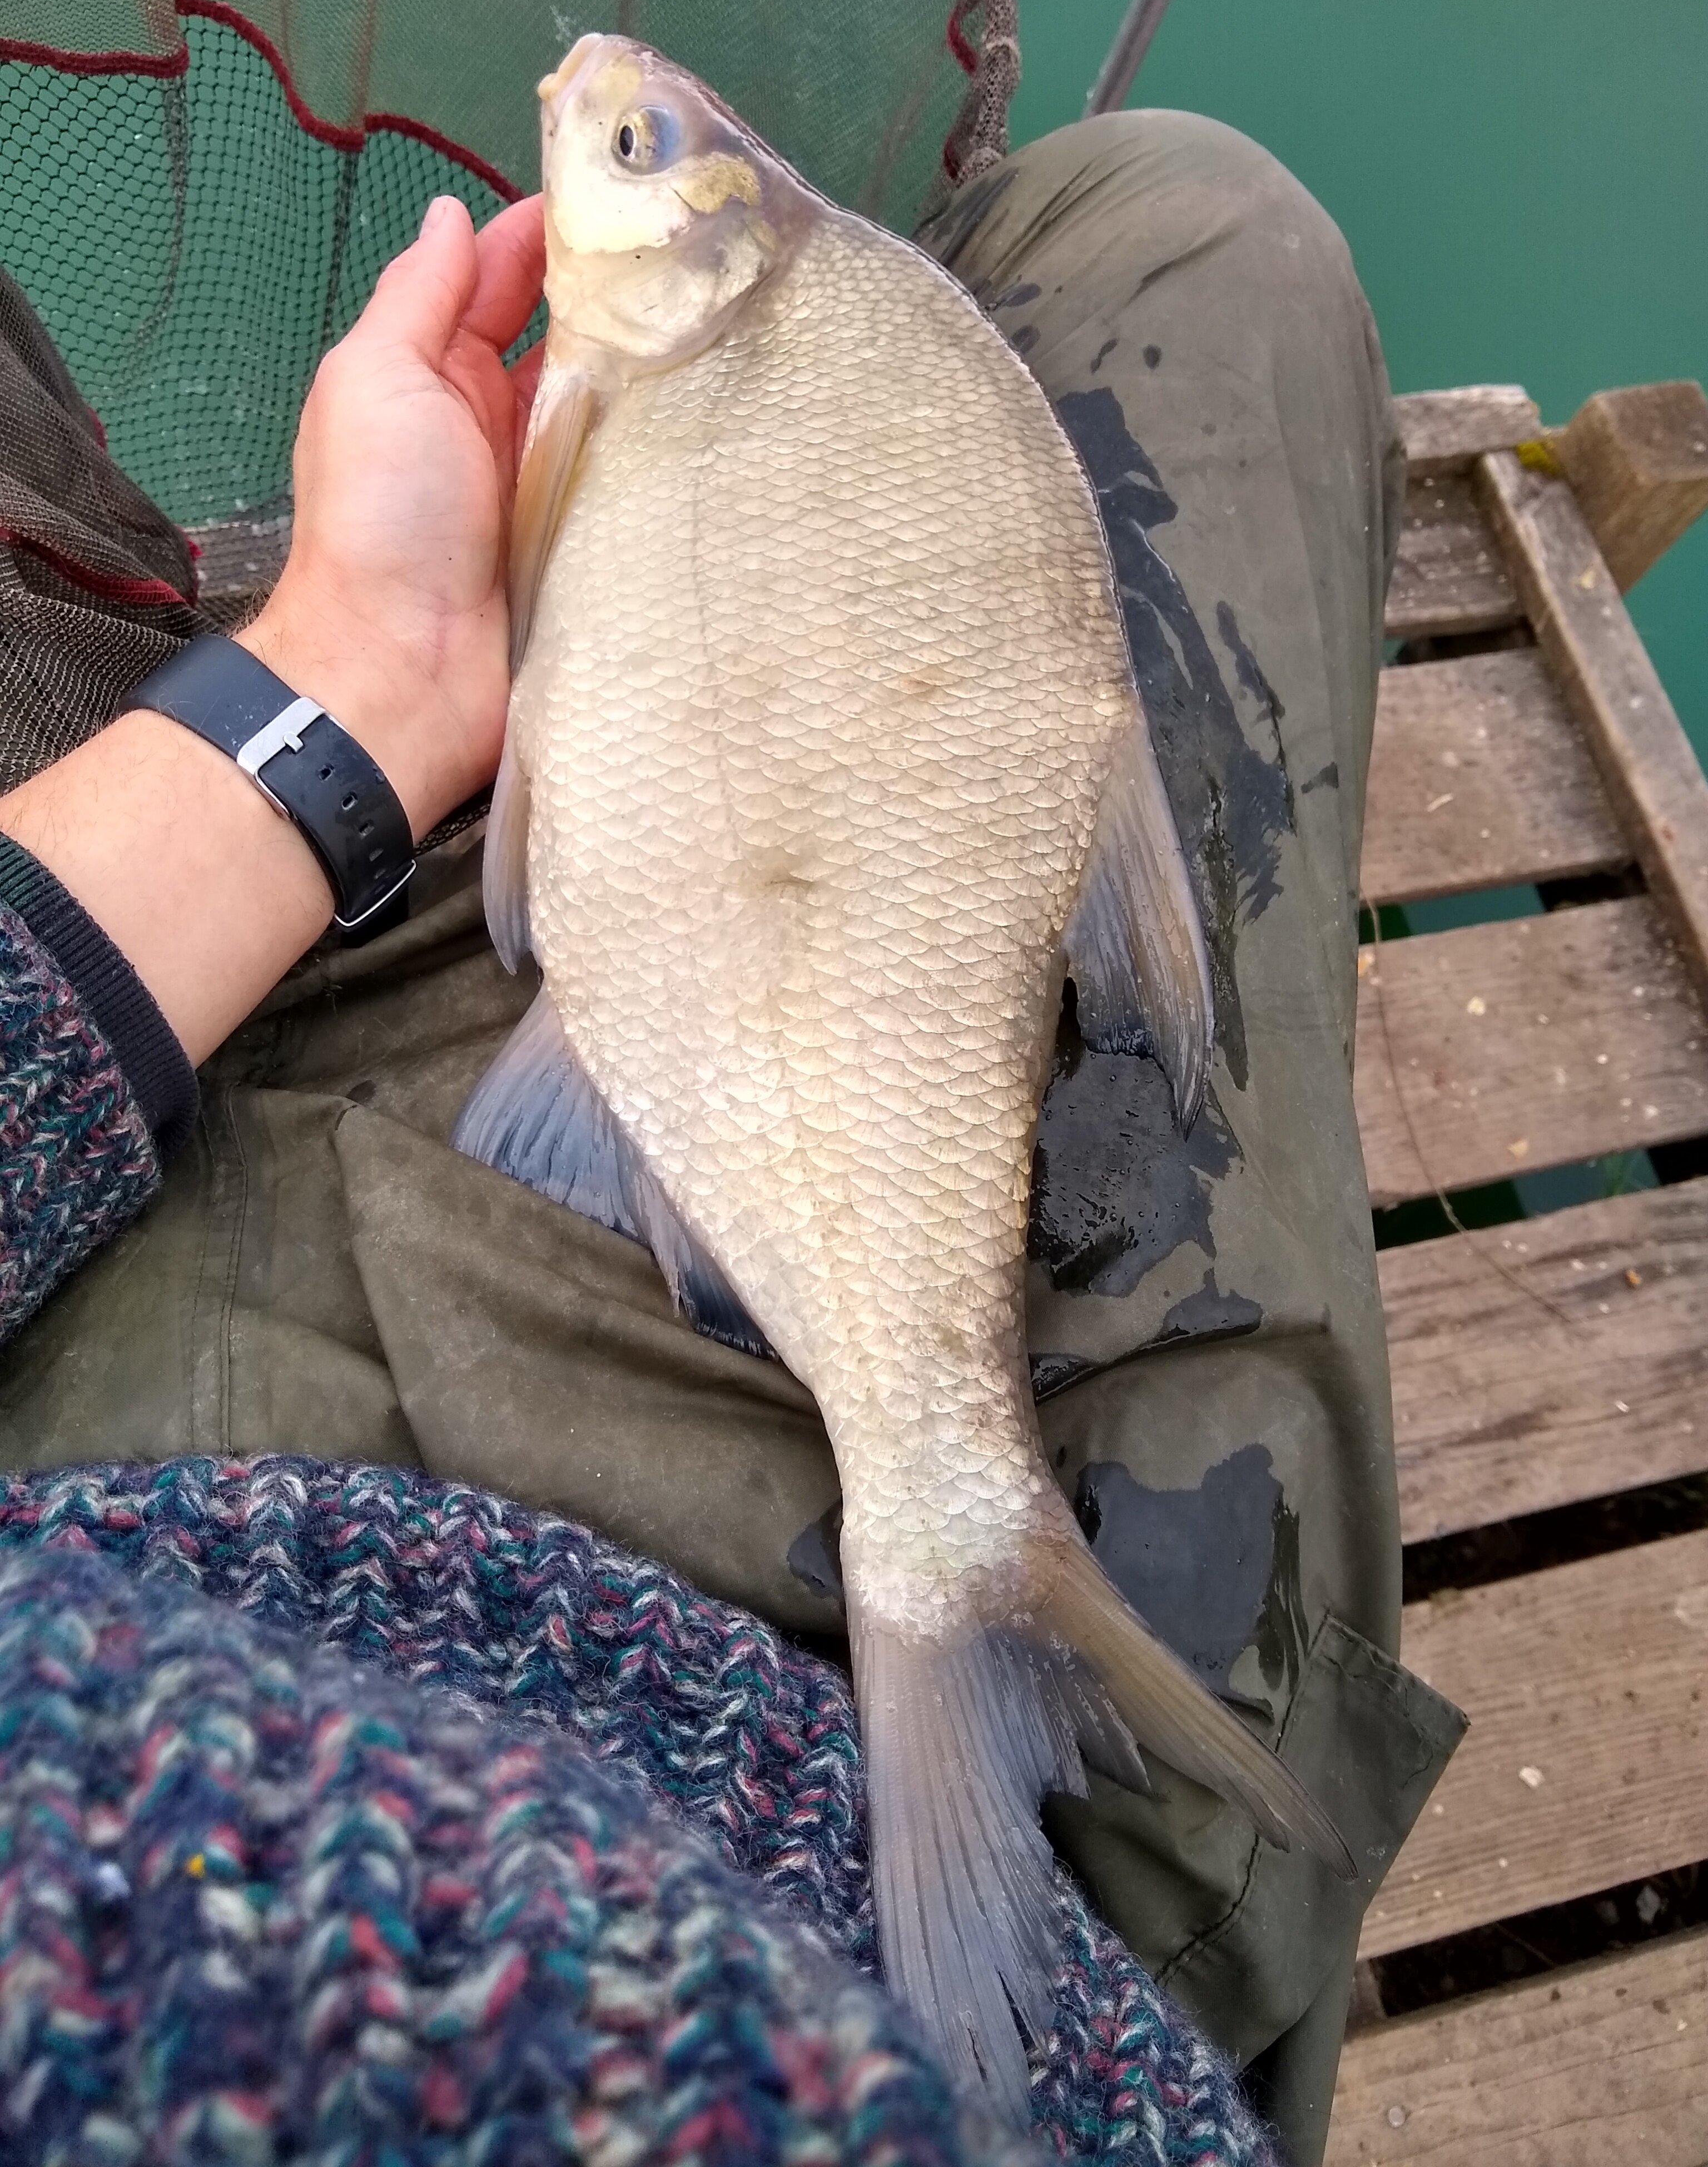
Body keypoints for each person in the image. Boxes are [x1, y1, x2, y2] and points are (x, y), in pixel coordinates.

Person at [0, 109, 1461, 2165]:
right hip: (808, 1803)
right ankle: (978, 1582)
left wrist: (370, 656)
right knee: (1203, 230)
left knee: (1200, 218)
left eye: (627, 141)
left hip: (138, 1417)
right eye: (637, 137)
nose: (594, 131)